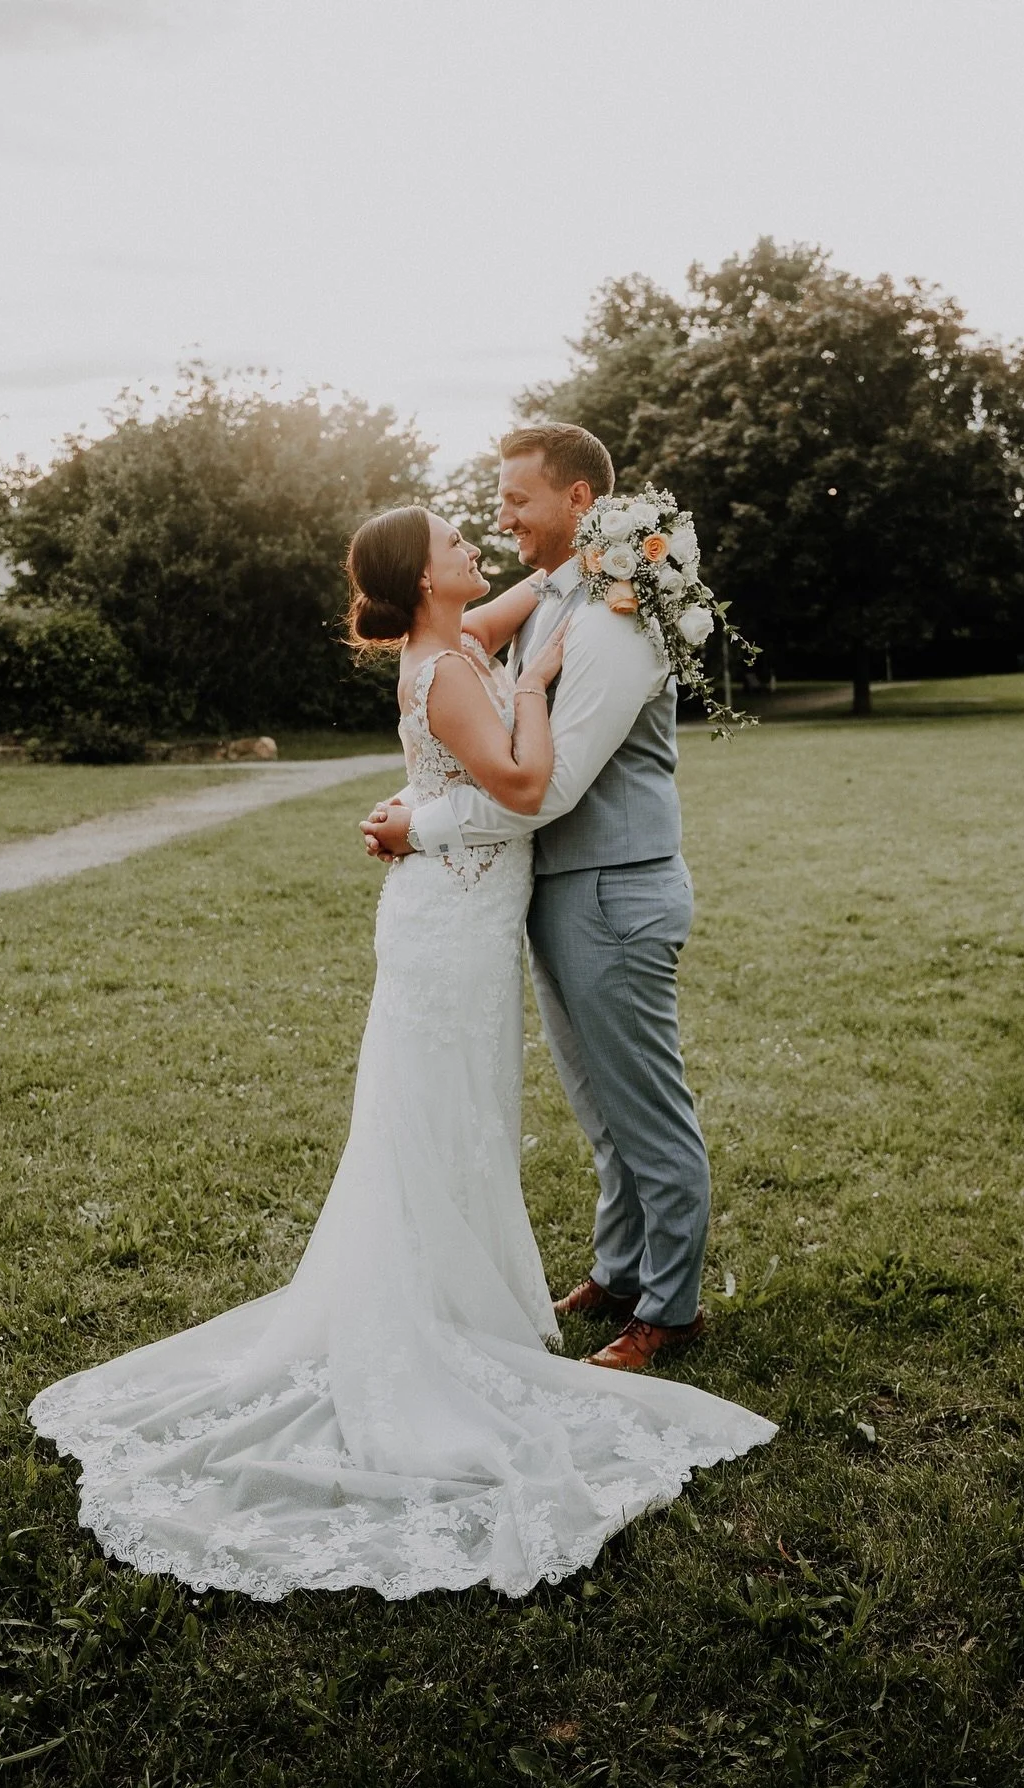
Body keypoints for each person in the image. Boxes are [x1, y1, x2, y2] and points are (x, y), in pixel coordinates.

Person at [28, 501, 773, 1604]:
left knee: (454, 1114)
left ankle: (464, 1300)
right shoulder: (461, 666)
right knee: (441, 1114)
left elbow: (541, 589)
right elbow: (520, 790)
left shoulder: (458, 637)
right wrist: (527, 696)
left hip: (456, 912)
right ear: (424, 581)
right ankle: (434, 1327)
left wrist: (611, 555)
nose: (476, 545)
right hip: (454, 917)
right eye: (453, 545)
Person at [364, 423, 713, 1374]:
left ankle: (669, 1309)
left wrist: (421, 825)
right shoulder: (560, 595)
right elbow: (449, 659)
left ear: (577, 502)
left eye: (517, 498)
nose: (500, 515)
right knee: (600, 1110)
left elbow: (543, 791)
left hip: (613, 888)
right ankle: (618, 1269)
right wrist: (421, 788)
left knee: (646, 1110)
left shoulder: (615, 618)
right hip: (557, 890)